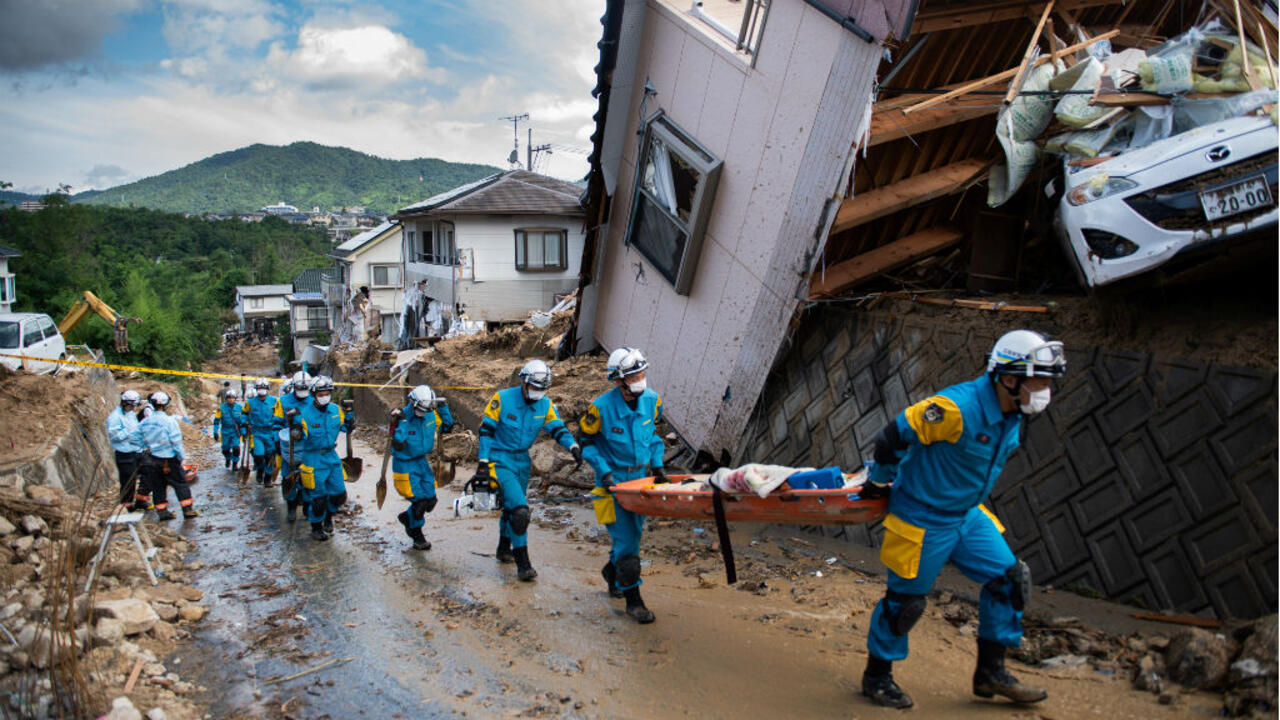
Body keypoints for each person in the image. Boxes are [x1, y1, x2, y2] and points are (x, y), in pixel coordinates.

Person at [858, 330, 1066, 709]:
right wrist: (879, 479)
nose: (1045, 390)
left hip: (966, 516)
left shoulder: (1012, 413)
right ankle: (877, 676)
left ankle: (990, 674)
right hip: (921, 516)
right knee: (905, 603)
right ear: (1008, 377)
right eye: (1039, 380)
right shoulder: (955, 409)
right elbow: (892, 436)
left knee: (1010, 580)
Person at [473, 359, 582, 581]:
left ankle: (503, 549)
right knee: (521, 511)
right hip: (499, 459)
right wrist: (483, 462)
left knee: (510, 509)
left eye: (542, 389)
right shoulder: (502, 399)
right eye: (535, 387)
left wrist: (572, 446)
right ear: (524, 382)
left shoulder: (545, 405)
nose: (538, 392)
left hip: (522, 461)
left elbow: (557, 428)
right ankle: (523, 563)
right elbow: (486, 431)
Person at [578, 348, 666, 623]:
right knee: (628, 543)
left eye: (642, 373)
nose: (641, 378)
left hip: (641, 481)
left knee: (634, 535)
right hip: (612, 484)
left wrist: (659, 465)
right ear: (618, 380)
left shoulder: (652, 401)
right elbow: (586, 443)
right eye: (634, 375)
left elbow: (653, 436)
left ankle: (611, 572)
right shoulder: (600, 408)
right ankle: (634, 601)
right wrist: (603, 472)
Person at [287, 376, 353, 541]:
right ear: (314, 394)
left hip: (331, 456)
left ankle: (328, 517)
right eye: (321, 393)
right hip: (313, 458)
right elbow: (299, 434)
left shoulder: (336, 410)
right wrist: (296, 429)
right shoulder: (304, 413)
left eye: (327, 393)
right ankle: (316, 526)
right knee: (319, 499)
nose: (325, 396)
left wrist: (350, 416)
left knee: (339, 495)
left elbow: (345, 427)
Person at [390, 385, 455, 550]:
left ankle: (407, 517)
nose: (423, 412)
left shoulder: (430, 415)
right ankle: (417, 535)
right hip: (404, 463)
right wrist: (403, 421)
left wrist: (443, 408)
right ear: (413, 403)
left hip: (421, 462)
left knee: (430, 500)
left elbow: (447, 426)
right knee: (419, 502)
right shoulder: (402, 418)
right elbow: (398, 443)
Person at [138, 391, 198, 520]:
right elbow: (176, 442)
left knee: (158, 486)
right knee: (180, 484)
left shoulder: (145, 422)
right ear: (165, 405)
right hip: (169, 459)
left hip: (152, 459)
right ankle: (187, 510)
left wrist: (145, 450)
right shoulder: (170, 421)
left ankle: (162, 512)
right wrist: (180, 457)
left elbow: (136, 438)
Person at [279, 371, 312, 521]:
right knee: (288, 476)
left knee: (308, 477)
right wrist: (277, 443)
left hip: (307, 447)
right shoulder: (283, 401)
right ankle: (291, 507)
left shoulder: (314, 402)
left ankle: (306, 505)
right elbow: (276, 424)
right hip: (289, 447)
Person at [106, 390, 147, 510]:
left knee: (150, 472)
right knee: (128, 482)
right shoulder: (114, 417)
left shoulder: (130, 414)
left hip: (137, 451)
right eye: (132, 406)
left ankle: (141, 499)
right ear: (125, 403)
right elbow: (115, 437)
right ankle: (126, 507)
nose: (133, 409)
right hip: (125, 454)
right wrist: (129, 429)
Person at [244, 378, 285, 486]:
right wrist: (245, 423)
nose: (262, 390)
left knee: (270, 456)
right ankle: (260, 469)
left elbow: (279, 415)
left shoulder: (274, 401)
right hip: (257, 433)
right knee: (258, 455)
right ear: (257, 389)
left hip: (270, 432)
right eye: (260, 388)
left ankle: (267, 478)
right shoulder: (250, 402)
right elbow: (244, 413)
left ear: (267, 389)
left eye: (263, 387)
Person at [213, 388, 246, 470]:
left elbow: (243, 421)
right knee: (225, 449)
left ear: (235, 399)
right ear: (226, 398)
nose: (231, 400)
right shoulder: (221, 408)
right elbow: (216, 421)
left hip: (235, 432)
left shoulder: (240, 408)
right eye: (229, 398)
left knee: (236, 449)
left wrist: (244, 432)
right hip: (225, 432)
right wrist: (215, 432)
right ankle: (228, 459)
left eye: (232, 398)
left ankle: (235, 464)